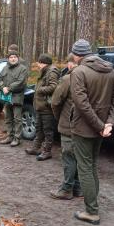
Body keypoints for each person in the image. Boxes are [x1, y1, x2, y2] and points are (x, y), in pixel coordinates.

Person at [69, 39, 114, 225]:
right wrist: (108, 124)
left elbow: (81, 104)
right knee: (91, 166)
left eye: (73, 54)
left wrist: (102, 126)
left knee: (85, 167)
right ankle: (92, 205)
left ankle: (92, 211)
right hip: (102, 130)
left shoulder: (78, 72)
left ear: (77, 55)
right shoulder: (111, 70)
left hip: (84, 129)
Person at [50, 54, 82, 199]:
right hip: (86, 125)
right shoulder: (90, 77)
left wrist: (59, 117)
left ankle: (67, 189)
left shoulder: (68, 79)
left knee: (68, 157)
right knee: (80, 157)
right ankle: (79, 188)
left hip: (69, 124)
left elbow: (55, 102)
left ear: (70, 64)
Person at [25, 53, 59, 161]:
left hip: (46, 107)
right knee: (39, 128)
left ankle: (47, 151)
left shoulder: (52, 72)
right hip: (40, 106)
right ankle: (36, 148)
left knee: (48, 130)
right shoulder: (45, 71)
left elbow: (54, 87)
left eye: (39, 62)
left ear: (43, 63)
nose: (38, 64)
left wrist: (39, 90)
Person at [0, 50, 28, 147]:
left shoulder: (23, 69)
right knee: (8, 118)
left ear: (17, 58)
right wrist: (3, 87)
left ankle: (17, 138)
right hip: (7, 97)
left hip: (17, 97)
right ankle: (9, 136)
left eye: (14, 57)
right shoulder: (5, 68)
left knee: (17, 119)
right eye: (11, 57)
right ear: (8, 58)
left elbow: (21, 82)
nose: (13, 59)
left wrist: (9, 88)